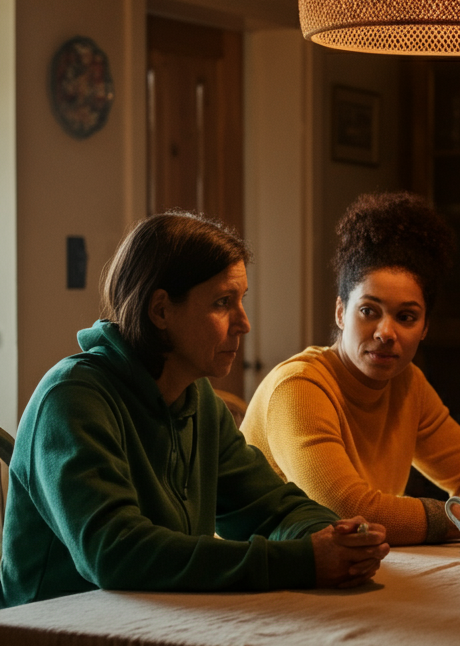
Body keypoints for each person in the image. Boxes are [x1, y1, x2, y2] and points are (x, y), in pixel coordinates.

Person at [0, 212, 389, 608]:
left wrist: (336, 536)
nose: (244, 323)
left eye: (242, 301)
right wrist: (300, 561)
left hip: (150, 626)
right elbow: (116, 554)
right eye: (223, 303)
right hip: (46, 643)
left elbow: (272, 509)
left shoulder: (198, 398)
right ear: (161, 311)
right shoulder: (72, 398)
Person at [242, 191, 460, 547]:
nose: (385, 333)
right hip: (256, 584)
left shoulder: (407, 383)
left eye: (406, 317)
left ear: (425, 327)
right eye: (369, 310)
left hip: (344, 570)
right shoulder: (298, 388)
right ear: (340, 312)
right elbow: (345, 510)